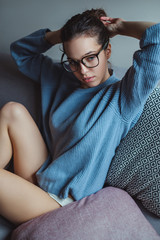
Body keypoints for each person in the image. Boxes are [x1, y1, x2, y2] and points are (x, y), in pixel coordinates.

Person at [0, 8, 159, 225]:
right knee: (12, 110)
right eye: (74, 61)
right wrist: (61, 35)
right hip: (42, 174)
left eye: (90, 58)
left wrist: (121, 27)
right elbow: (20, 52)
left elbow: (157, 37)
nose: (83, 70)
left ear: (107, 51)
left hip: (60, 202)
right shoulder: (59, 77)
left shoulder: (123, 97)